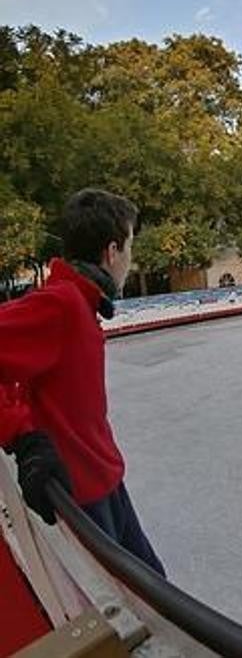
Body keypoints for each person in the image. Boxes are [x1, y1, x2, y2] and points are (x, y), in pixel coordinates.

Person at [0, 189, 165, 575]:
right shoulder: (62, 304)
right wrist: (23, 437)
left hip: (107, 481)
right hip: (83, 497)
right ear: (111, 252)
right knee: (134, 610)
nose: (131, 259)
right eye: (129, 248)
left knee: (156, 592)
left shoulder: (79, 303)